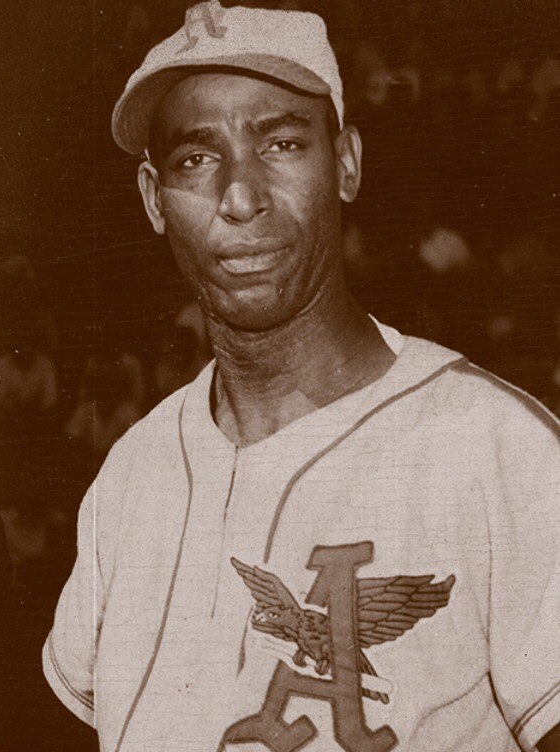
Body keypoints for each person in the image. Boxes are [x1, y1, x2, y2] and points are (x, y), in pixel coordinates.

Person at [43, 2, 559, 751]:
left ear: (346, 164)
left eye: (281, 144)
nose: (240, 197)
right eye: (196, 160)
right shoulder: (130, 475)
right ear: (155, 199)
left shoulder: (498, 450)